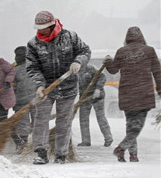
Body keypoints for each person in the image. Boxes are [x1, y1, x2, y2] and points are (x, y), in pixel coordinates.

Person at [26, 11, 91, 164]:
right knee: (41, 119)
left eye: (44, 28)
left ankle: (61, 155)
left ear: (52, 25)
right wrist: (39, 85)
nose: (40, 31)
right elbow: (32, 67)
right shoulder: (33, 44)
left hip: (68, 86)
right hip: (46, 89)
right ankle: (41, 152)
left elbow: (85, 51)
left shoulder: (70, 37)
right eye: (38, 28)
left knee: (64, 121)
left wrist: (78, 62)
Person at [103, 26, 161, 162]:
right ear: (141, 37)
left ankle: (133, 155)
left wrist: (107, 61)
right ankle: (121, 149)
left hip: (127, 93)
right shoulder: (149, 51)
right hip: (143, 93)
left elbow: (112, 70)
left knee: (131, 125)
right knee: (137, 125)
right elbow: (157, 72)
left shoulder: (121, 51)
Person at [78, 64, 113, 147]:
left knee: (100, 117)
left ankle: (108, 138)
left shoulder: (90, 68)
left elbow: (102, 76)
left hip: (97, 95)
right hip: (84, 97)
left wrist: (98, 88)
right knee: (83, 119)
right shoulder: (73, 71)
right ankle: (85, 141)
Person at [11, 46, 36, 150]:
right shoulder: (35, 67)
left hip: (21, 100)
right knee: (37, 121)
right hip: (36, 99)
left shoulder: (14, 70)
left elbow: (13, 87)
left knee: (23, 123)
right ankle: (39, 144)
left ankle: (23, 143)